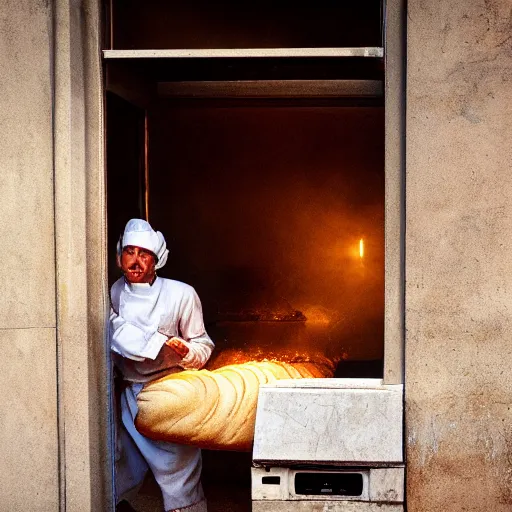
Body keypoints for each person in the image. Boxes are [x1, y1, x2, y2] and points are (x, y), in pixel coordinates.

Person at [111, 218, 214, 512]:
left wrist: (186, 351)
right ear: (119, 258)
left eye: (144, 254)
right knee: (122, 465)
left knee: (178, 472)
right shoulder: (114, 293)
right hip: (130, 397)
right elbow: (113, 333)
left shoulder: (181, 294)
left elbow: (204, 345)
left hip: (172, 394)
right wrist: (155, 342)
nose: (136, 260)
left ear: (157, 261)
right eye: (129, 252)